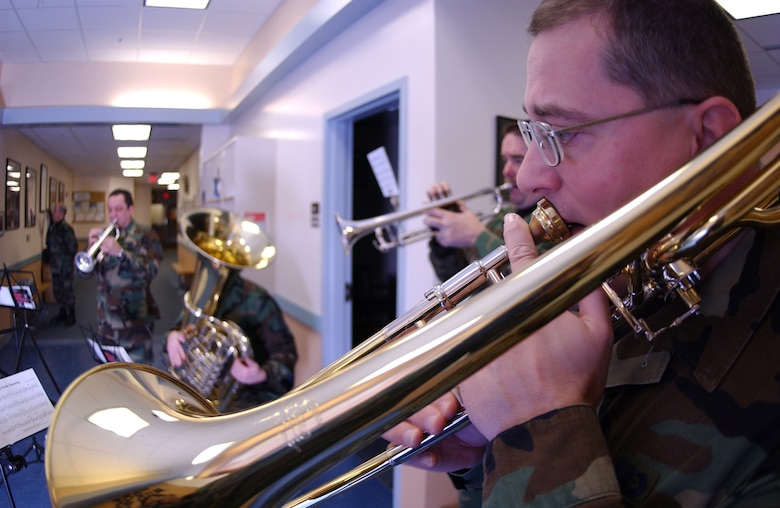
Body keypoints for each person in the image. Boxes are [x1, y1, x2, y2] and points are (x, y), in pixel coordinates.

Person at [383, 1, 780, 506]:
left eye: (564, 134)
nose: (529, 178)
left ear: (705, 137)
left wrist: (538, 426)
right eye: (534, 132)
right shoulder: (628, 274)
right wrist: (495, 448)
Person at [165, 270, 298, 412]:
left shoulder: (257, 300)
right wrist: (172, 337)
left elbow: (286, 354)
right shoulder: (198, 292)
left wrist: (261, 374)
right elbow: (181, 329)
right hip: (197, 385)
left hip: (248, 395)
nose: (214, 266)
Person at [424, 123, 541, 281]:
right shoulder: (502, 216)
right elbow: (458, 277)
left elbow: (531, 279)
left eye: (518, 160)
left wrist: (477, 235)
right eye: (505, 160)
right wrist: (444, 231)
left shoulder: (552, 221)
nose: (506, 171)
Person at [85, 188, 163, 363]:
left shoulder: (147, 235)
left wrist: (120, 253)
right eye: (110, 209)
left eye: (118, 209)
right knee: (111, 377)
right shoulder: (104, 236)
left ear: (130, 209)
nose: (113, 215)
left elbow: (150, 271)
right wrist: (89, 248)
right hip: (106, 326)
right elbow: (83, 274)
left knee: (139, 377)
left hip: (135, 327)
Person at [46, 203, 78, 326]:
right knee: (57, 290)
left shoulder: (66, 229)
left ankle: (71, 315)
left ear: (61, 213)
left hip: (64, 266)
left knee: (67, 291)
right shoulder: (53, 228)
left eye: (55, 211)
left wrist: (65, 258)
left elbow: (72, 247)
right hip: (55, 266)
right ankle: (62, 313)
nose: (53, 213)